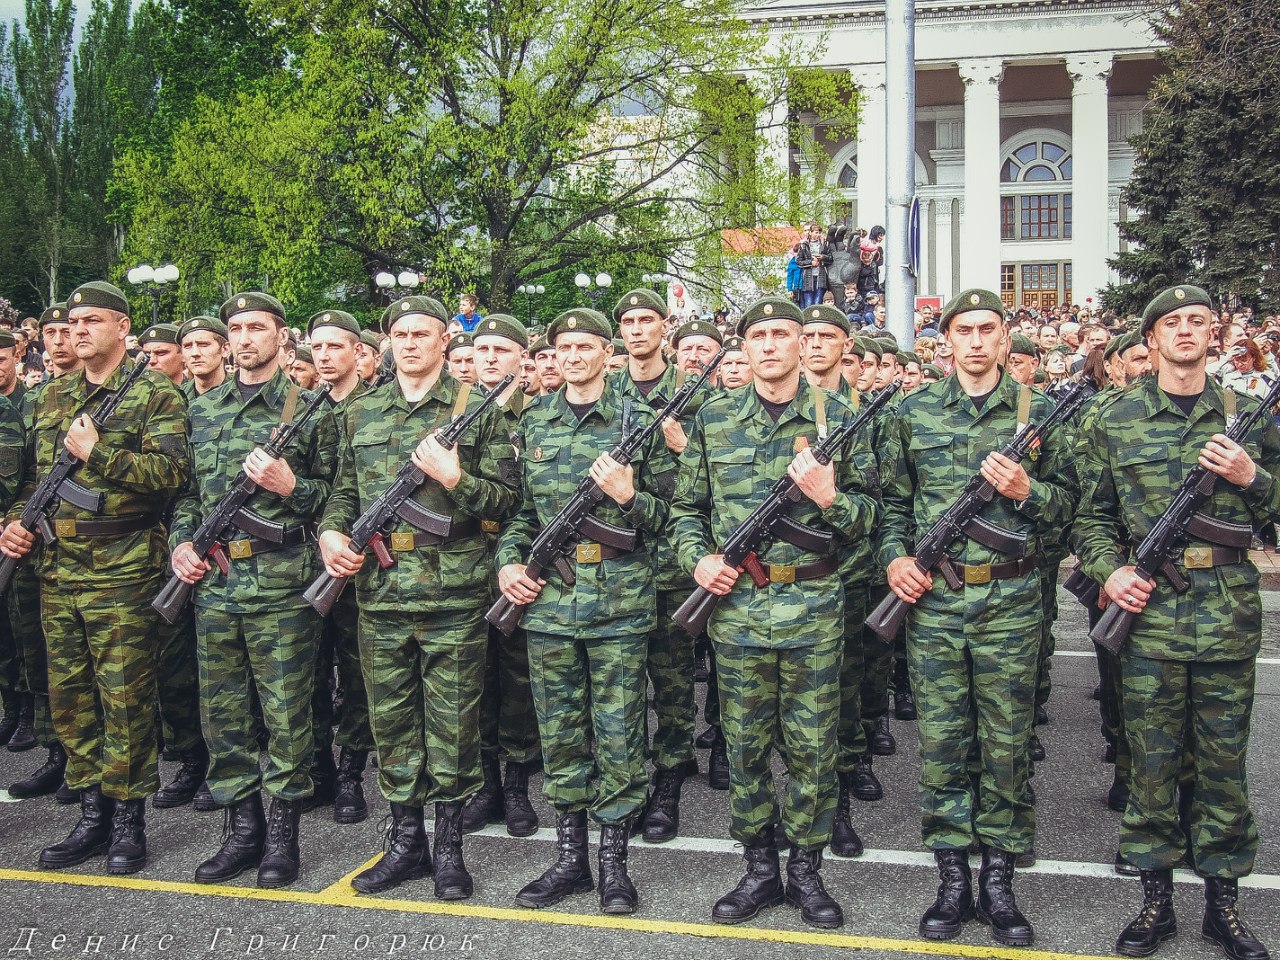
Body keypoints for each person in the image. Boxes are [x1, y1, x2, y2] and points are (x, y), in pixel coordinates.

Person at [1074, 285, 1277, 960]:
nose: (1186, 331)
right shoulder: (1115, 415)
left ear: (1214, 335)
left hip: (1225, 612)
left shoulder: (1250, 418)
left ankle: (1225, 906)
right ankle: (1154, 902)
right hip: (1150, 616)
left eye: (1198, 321)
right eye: (1172, 323)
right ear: (1151, 339)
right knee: (1152, 765)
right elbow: (1093, 516)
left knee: (1223, 768)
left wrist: (1253, 478)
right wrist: (1110, 572)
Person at [671, 294, 878, 930]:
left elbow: (875, 520)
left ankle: (807, 872)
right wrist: (697, 561)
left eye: (780, 334)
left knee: (815, 748)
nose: (768, 345)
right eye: (756, 335)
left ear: (802, 344)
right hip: (736, 612)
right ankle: (760, 867)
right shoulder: (714, 419)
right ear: (744, 346)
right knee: (745, 746)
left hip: (814, 607)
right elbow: (686, 512)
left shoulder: (843, 417)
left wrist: (831, 497)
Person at [877, 288, 1073, 947]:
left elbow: (1071, 511)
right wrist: (894, 560)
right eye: (965, 330)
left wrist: (1027, 491)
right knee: (944, 744)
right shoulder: (913, 412)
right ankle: (952, 877)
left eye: (989, 329)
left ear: (1006, 337)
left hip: (1011, 606)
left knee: (1007, 744)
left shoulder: (1039, 413)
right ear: (947, 340)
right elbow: (890, 508)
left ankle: (999, 878)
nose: (978, 341)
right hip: (935, 607)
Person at [319, 294, 519, 899]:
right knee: (393, 724)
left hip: (454, 594)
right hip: (379, 594)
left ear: (443, 341)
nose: (410, 343)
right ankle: (404, 843)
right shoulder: (361, 412)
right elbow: (342, 490)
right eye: (400, 333)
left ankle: (450, 849)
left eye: (422, 333)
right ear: (386, 343)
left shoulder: (478, 412)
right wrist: (331, 532)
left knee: (455, 726)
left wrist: (455, 477)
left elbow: (508, 503)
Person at [0, 280, 189, 875]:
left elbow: (173, 474)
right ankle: (91, 813)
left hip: (125, 565)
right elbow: (36, 479)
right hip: (58, 568)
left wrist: (98, 453)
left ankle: (129, 820)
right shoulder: (52, 397)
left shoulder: (156, 393)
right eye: (72, 322)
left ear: (122, 328)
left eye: (92, 321)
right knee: (72, 698)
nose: (78, 331)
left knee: (126, 697)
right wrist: (14, 522)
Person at [497, 307, 676, 915]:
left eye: (585, 346)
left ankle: (614, 866)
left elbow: (672, 515)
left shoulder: (639, 422)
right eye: (563, 347)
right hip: (547, 607)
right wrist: (508, 563)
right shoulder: (536, 420)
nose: (573, 357)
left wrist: (630, 498)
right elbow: (522, 513)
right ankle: (570, 859)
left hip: (619, 605)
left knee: (621, 735)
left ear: (609, 352)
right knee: (561, 735)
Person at [170, 291, 339, 889]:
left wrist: (293, 486)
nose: (243, 339)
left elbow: (338, 498)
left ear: (281, 336)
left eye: (255, 328)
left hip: (282, 586)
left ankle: (283, 837)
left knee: (288, 716)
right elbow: (188, 496)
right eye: (235, 329)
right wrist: (181, 543)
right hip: (215, 584)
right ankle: (242, 834)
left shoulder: (310, 410)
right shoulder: (203, 410)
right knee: (224, 717)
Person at [613, 291, 719, 844]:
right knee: (621, 686)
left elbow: (711, 491)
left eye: (646, 320)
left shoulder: (699, 400)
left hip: (671, 565)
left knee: (673, 679)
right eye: (627, 322)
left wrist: (681, 452)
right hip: (614, 565)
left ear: (665, 327)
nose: (636, 330)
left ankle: (670, 776)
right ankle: (625, 781)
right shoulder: (605, 393)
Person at [460, 314, 542, 840]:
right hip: (466, 561)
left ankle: (515, 785)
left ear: (522, 358)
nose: (490, 358)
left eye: (501, 349)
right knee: (474, 679)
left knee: (517, 679)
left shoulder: (537, 416)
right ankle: (484, 782)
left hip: (524, 560)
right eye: (481, 349)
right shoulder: (457, 414)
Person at [305, 310, 376, 824]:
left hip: (356, 562)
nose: (325, 356)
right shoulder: (299, 411)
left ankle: (351, 774)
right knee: (307, 674)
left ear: (359, 352)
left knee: (355, 675)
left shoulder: (373, 409)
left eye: (335, 347)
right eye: (317, 348)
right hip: (298, 560)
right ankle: (318, 770)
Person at [179, 317, 230, 399]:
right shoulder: (176, 398)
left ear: (225, 349)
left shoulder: (242, 394)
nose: (195, 353)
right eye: (187, 346)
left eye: (203, 345)